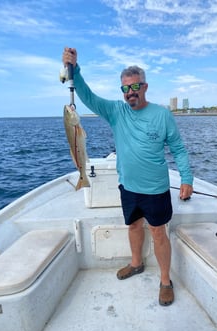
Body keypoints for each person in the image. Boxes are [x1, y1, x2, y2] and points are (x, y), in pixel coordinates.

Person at [62, 47, 193, 306]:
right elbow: (88, 96)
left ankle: (165, 281)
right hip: (128, 186)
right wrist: (74, 69)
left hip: (156, 187)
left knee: (157, 232)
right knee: (133, 226)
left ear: (144, 86)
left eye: (134, 87)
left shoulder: (162, 114)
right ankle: (136, 263)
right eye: (125, 89)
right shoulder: (115, 112)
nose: (130, 93)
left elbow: (178, 148)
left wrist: (187, 178)